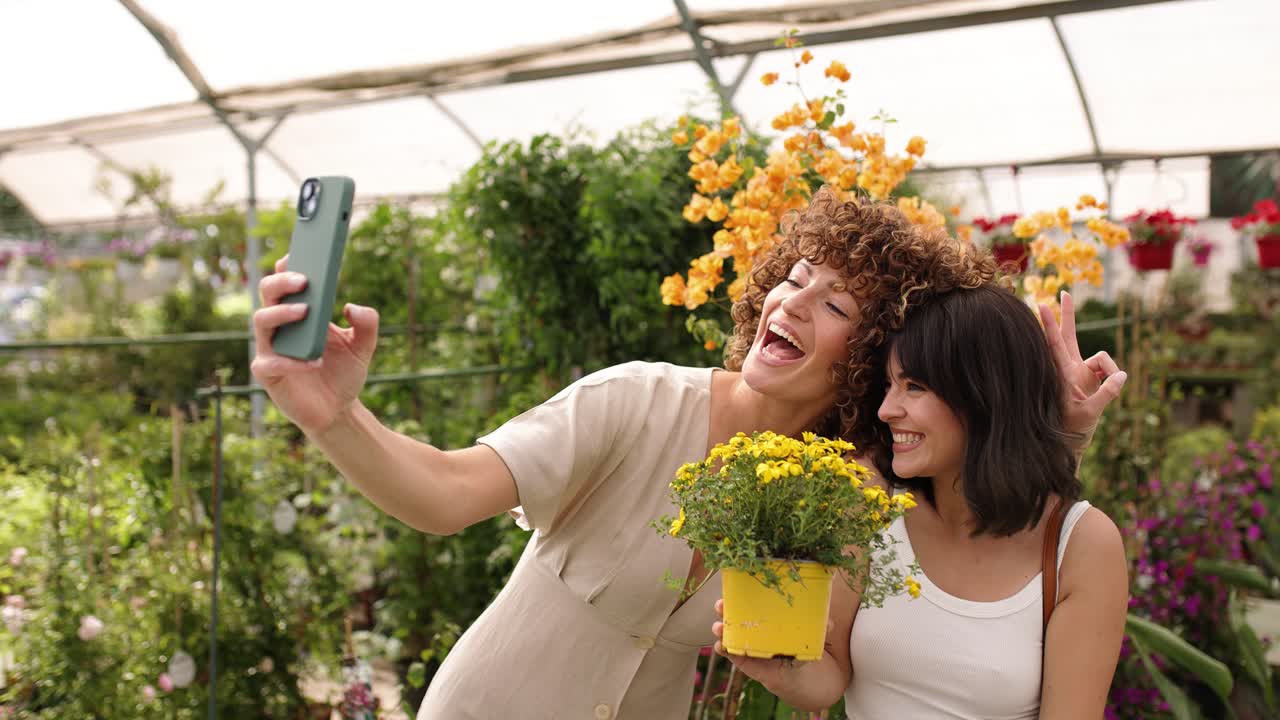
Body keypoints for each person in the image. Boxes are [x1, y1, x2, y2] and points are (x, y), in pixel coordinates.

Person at [251, 188, 1115, 719]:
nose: (795, 300)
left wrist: (1054, 424)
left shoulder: (844, 484)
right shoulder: (635, 402)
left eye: (837, 303)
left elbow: (976, 503)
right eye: (793, 277)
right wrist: (336, 416)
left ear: (875, 352)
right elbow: (443, 493)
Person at [712, 282, 1130, 719]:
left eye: (914, 387)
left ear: (985, 396)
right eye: (890, 385)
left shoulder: (1081, 544)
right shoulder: (870, 497)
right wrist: (781, 668)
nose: (887, 410)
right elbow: (830, 672)